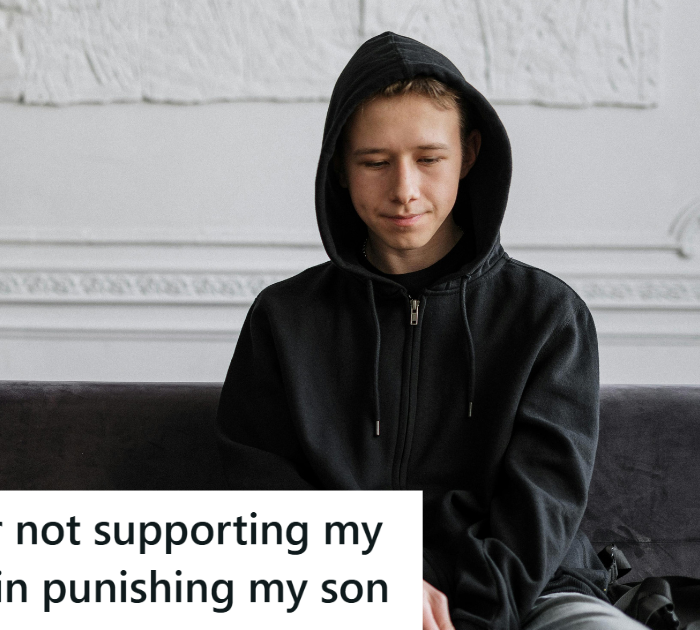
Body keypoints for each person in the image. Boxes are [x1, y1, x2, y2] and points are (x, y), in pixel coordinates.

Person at [216, 33, 641, 630]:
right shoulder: (283, 319)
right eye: (374, 162)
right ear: (339, 167)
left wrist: (467, 618)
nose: (404, 190)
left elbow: (539, 511)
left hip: (534, 597)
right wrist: (374, 584)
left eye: (429, 159)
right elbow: (258, 498)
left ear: (469, 154)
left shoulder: (548, 316)